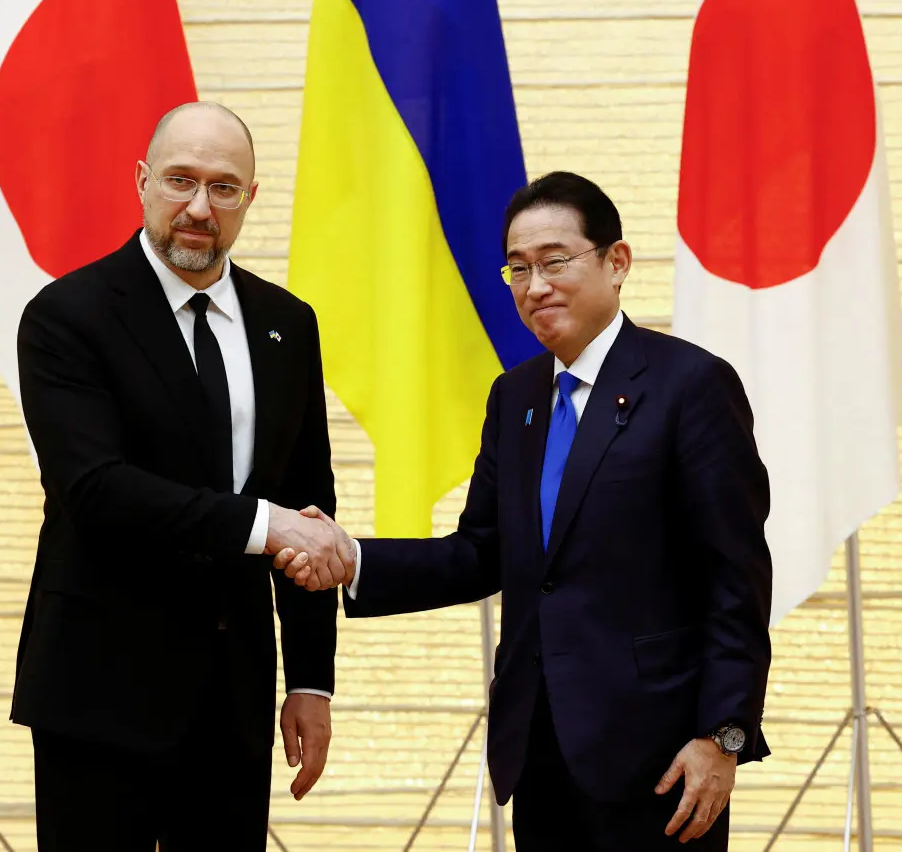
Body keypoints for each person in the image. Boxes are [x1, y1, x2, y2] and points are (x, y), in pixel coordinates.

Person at [276, 171, 773, 851]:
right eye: (518, 268)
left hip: (660, 758)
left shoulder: (690, 386)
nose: (534, 285)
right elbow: (481, 551)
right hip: (537, 748)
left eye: (555, 261)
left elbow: (736, 581)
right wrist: (352, 557)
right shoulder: (516, 398)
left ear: (616, 262)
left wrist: (723, 737)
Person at [11, 101, 350, 852]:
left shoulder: (286, 323)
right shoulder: (68, 316)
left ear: (251, 199)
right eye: (181, 181)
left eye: (225, 187)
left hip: (232, 699)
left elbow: (310, 505)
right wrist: (267, 527)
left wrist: (310, 679)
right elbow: (96, 488)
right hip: (98, 691)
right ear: (141, 183)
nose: (200, 207)